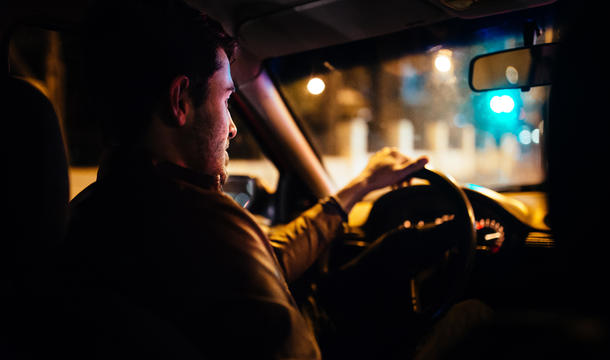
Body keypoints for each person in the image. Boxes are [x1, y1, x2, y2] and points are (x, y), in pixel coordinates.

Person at [63, 1, 441, 359]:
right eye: (226, 99)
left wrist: (356, 189)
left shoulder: (87, 215)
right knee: (472, 316)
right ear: (180, 101)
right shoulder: (203, 221)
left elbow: (267, 261)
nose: (231, 128)